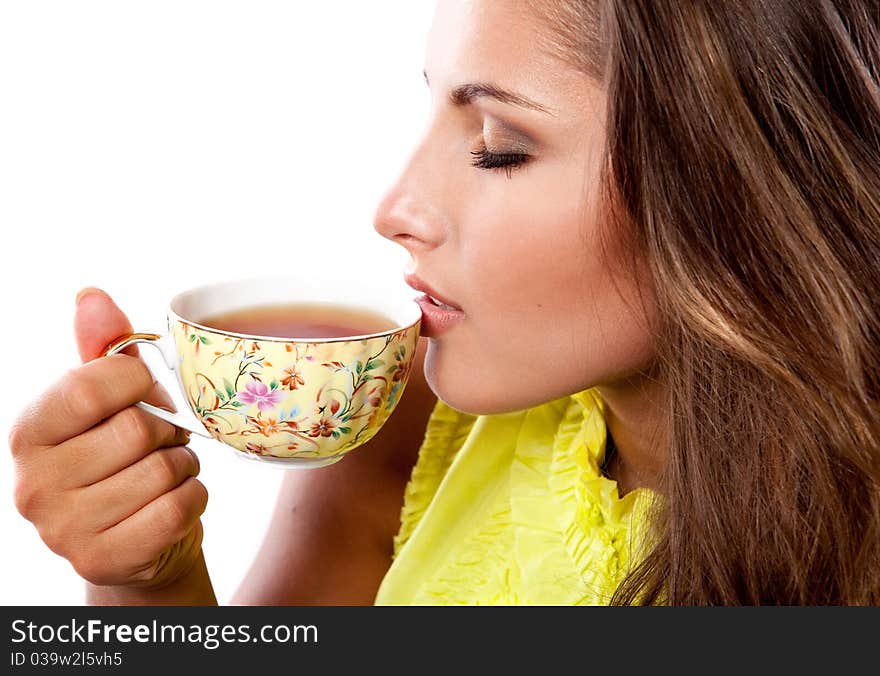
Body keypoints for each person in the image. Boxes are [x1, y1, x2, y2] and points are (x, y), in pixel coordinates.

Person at [9, 0, 880, 605]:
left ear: (741, 193)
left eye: (499, 147)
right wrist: (145, 580)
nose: (392, 210)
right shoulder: (399, 420)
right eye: (431, 107)